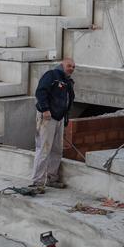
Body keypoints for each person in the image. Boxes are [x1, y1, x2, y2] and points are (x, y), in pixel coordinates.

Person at [30, 58, 75, 190]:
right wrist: (45, 109)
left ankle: (51, 178)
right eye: (69, 66)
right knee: (44, 149)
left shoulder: (68, 82)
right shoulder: (52, 75)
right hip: (48, 117)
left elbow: (68, 102)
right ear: (62, 65)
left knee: (57, 150)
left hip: (59, 118)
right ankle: (37, 182)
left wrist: (65, 120)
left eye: (73, 67)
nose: (71, 68)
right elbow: (40, 91)